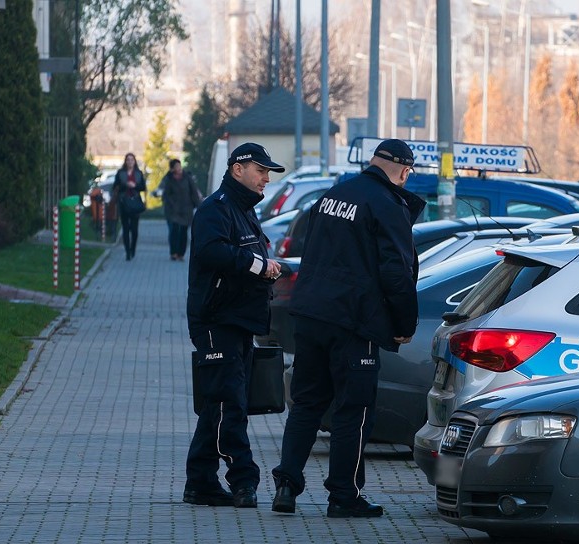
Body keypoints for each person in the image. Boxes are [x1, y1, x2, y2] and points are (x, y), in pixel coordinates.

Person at [271, 139, 425, 518]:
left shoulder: (333, 195)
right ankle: (344, 495)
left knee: (306, 404)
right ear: (404, 170)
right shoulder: (387, 205)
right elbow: (396, 272)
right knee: (353, 410)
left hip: (310, 315)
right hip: (353, 322)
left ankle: (286, 485)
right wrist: (404, 324)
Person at [183, 142, 285, 508]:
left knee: (217, 404)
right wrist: (258, 266)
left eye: (268, 173)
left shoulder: (243, 211)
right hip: (217, 321)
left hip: (239, 321)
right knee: (230, 403)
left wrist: (265, 267)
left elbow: (242, 256)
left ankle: (200, 482)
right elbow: (212, 252)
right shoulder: (216, 209)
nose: (266, 180)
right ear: (238, 169)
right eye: (261, 171)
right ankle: (244, 479)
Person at [156, 158, 204, 261]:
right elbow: (166, 195)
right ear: (172, 168)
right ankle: (173, 253)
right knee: (174, 231)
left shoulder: (187, 178)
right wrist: (170, 205)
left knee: (183, 232)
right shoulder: (169, 179)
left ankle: (181, 253)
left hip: (186, 209)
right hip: (173, 210)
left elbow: (194, 192)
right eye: (176, 166)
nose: (179, 168)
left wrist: (199, 206)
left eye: (179, 166)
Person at [111, 152, 147, 261]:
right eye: (128, 160)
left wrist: (135, 186)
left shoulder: (138, 173)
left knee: (134, 229)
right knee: (125, 228)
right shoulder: (120, 173)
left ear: (134, 161)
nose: (130, 162)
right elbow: (115, 186)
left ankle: (133, 248)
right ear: (125, 161)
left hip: (135, 202)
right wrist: (125, 185)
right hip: (124, 202)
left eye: (132, 160)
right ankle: (127, 251)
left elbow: (143, 187)